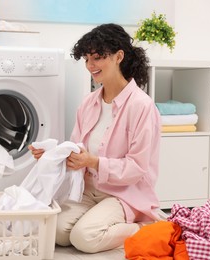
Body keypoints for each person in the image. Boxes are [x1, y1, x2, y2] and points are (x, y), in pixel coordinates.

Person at [29, 23, 161, 253]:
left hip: (124, 193)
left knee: (85, 238)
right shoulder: (89, 103)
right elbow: (77, 151)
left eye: (98, 58)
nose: (91, 65)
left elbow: (137, 167)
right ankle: (99, 219)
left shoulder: (142, 106)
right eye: (87, 59)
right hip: (89, 188)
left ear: (119, 56)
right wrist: (52, 156)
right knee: (57, 232)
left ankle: (148, 226)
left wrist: (94, 162)